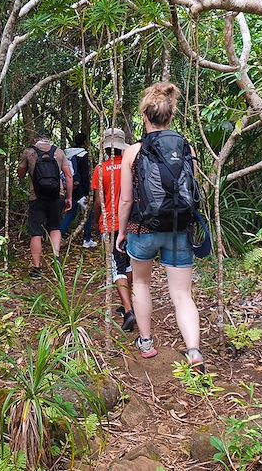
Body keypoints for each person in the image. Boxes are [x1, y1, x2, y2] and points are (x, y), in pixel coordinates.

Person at [116, 82, 205, 371]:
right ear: (170, 116)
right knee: (182, 294)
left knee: (141, 283)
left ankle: (146, 342)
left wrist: (120, 232)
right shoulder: (185, 147)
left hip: (143, 229)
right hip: (180, 228)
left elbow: (126, 199)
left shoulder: (133, 151)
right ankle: (193, 351)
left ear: (145, 116)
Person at [92, 128, 135, 331]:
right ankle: (128, 302)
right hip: (132, 222)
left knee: (116, 267)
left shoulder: (100, 169)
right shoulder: (131, 164)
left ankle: (128, 310)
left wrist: (95, 220)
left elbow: (98, 201)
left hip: (111, 223)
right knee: (129, 264)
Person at [18, 129, 73, 279]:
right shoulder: (59, 152)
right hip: (57, 196)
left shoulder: (29, 152)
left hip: (36, 196)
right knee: (55, 227)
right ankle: (56, 260)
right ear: (49, 139)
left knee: (36, 232)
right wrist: (69, 197)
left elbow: (20, 174)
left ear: (36, 138)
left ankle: (37, 269)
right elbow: (68, 176)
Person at [60, 132, 97, 249]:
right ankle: (87, 239)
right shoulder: (83, 155)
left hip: (72, 188)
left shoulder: (68, 154)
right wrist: (85, 192)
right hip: (82, 189)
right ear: (85, 142)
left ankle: (58, 235)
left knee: (71, 213)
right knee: (88, 213)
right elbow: (84, 175)